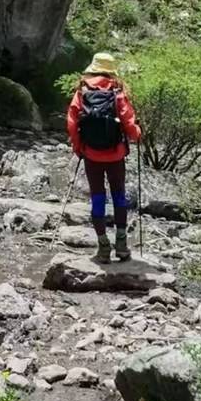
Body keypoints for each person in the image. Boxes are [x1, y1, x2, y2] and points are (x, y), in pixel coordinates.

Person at [66, 50, 142, 263]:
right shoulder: (118, 92)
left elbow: (72, 123)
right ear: (111, 72)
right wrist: (137, 133)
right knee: (119, 196)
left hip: (92, 155)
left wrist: (79, 146)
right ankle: (121, 245)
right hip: (115, 154)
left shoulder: (81, 92)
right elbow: (129, 124)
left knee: (97, 198)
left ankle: (103, 247)